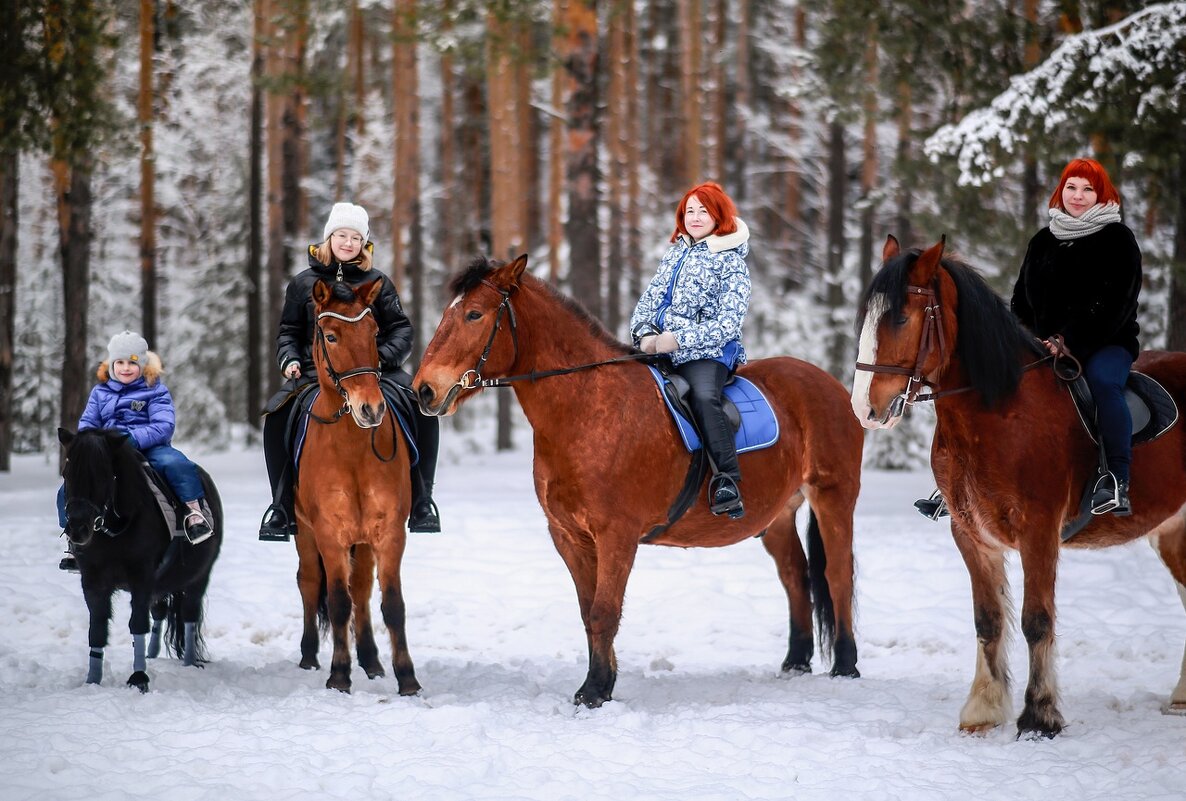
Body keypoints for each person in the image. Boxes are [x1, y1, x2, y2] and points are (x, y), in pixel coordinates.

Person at [258, 201, 442, 540]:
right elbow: (289, 331)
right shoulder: (303, 284)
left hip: (375, 371)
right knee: (276, 415)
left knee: (422, 407)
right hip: (315, 375)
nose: (348, 243)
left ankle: (421, 499)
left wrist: (378, 360)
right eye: (341, 235)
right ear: (329, 238)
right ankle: (281, 506)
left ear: (364, 244)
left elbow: (402, 330)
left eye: (355, 237)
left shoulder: (378, 282)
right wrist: (290, 359)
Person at [1011, 157, 1143, 516]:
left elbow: (1115, 303)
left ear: (1102, 195)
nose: (1078, 196)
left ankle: (1116, 478)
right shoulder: (1042, 241)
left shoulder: (1117, 239)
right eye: (1072, 187)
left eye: (1088, 189)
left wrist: (1068, 341)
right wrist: (1025, 339)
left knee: (1103, 383)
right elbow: (1021, 300)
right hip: (1043, 346)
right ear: (1061, 190)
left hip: (1106, 342)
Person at [629, 181, 751, 519]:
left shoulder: (731, 263)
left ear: (719, 215)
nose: (695, 217)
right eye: (690, 211)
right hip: (659, 348)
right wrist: (644, 336)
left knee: (701, 396)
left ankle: (727, 479)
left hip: (708, 353)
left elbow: (729, 324)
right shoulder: (675, 253)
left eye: (704, 211)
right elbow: (648, 303)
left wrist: (679, 339)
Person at [57, 331, 213, 571]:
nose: (125, 368)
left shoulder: (155, 390)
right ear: (111, 365)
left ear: (142, 364)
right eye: (120, 362)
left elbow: (163, 425)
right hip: (108, 453)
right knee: (70, 486)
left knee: (177, 465)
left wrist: (133, 439)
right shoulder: (100, 393)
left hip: (150, 448)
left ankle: (193, 513)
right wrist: (94, 445)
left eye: (132, 362)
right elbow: (88, 424)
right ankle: (75, 537)